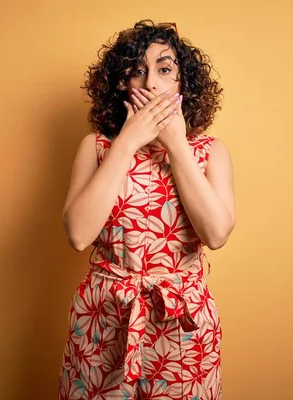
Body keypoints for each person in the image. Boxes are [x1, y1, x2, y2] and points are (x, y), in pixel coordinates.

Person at [58, 19, 236, 399]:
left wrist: (175, 143)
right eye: (137, 70)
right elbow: (77, 235)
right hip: (105, 318)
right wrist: (127, 141)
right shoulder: (96, 147)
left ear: (182, 85)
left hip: (183, 324)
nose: (151, 83)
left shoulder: (211, 152)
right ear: (122, 83)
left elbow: (217, 234)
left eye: (164, 69)